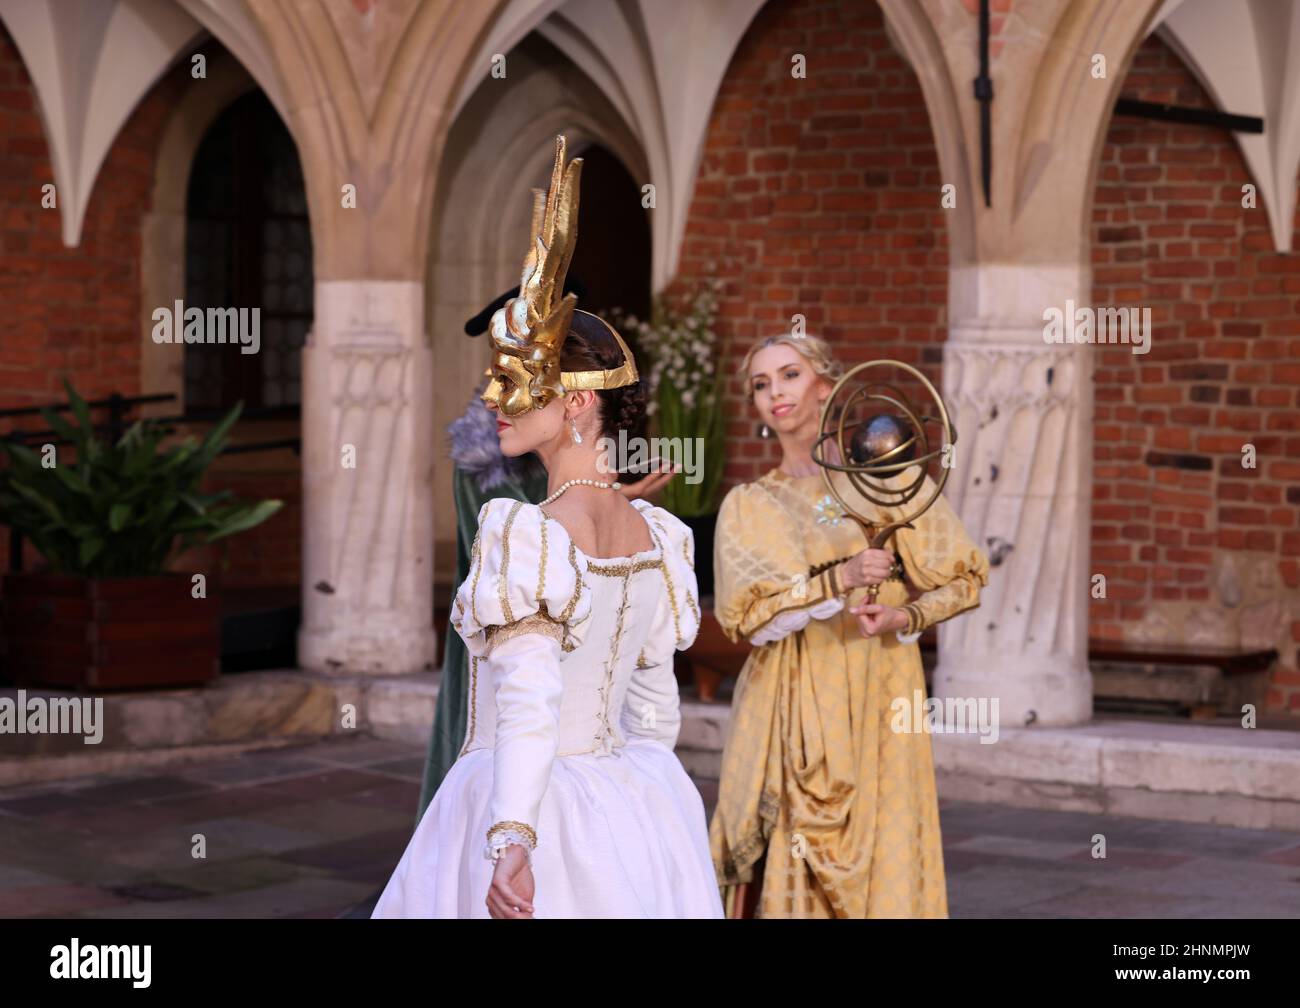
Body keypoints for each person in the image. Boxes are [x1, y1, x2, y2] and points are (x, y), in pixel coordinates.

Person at [374, 136, 721, 919]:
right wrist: (643, 815)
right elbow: (655, 715)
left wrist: (514, 837)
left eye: (518, 383)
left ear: (576, 402)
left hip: (530, 803)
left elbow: (530, 703)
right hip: (633, 800)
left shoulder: (524, 534)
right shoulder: (659, 538)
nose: (494, 400)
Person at [708, 332, 989, 919]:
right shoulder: (750, 504)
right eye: (761, 384)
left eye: (789, 375)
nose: (774, 393)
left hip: (880, 681)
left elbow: (964, 578)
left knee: (885, 835)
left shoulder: (887, 480)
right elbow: (749, 619)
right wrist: (838, 581)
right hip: (794, 694)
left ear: (827, 388)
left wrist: (904, 613)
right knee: (792, 846)